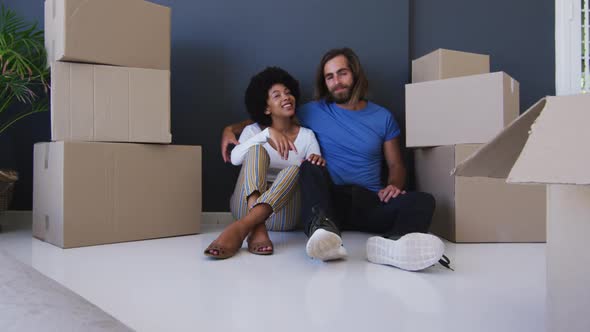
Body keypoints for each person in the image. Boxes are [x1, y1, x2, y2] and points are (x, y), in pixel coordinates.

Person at [221, 48, 450, 271]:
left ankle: (393, 246)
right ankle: (322, 232)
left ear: (355, 74)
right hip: (328, 200)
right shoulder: (313, 111)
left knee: (424, 200)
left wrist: (393, 186)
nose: (336, 81)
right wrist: (230, 128)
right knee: (309, 166)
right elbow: (273, 113)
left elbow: (396, 165)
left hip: (370, 199)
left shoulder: (383, 117)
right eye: (329, 77)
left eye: (342, 73)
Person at [205, 67, 325, 259]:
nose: (286, 97)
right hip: (244, 205)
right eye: (277, 95)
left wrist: (316, 161)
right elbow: (235, 159)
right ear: (266, 107)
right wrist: (266, 135)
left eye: (288, 92)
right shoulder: (253, 132)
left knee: (297, 169)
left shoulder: (307, 136)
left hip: (283, 214)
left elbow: (314, 169)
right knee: (256, 151)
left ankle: (242, 227)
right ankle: (257, 225)